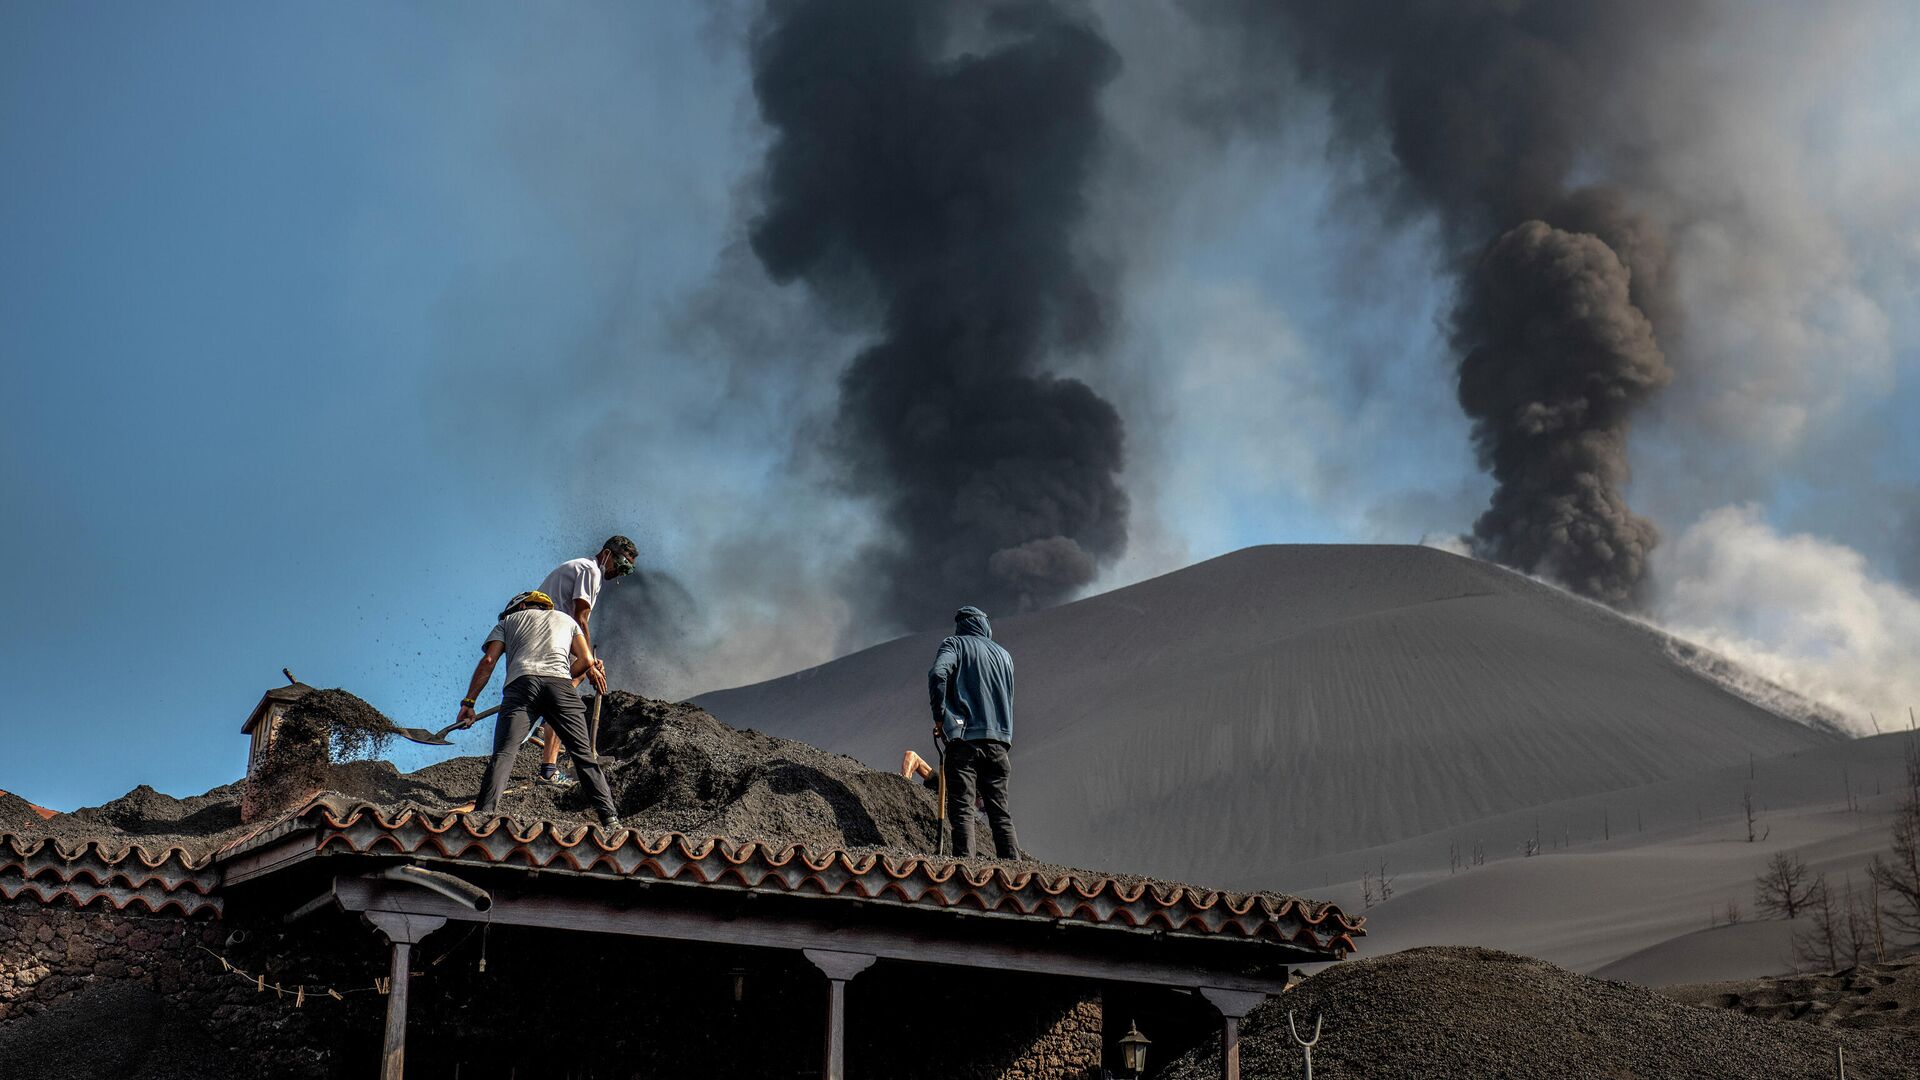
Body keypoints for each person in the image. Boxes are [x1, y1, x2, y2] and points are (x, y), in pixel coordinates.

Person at [456, 590, 621, 828]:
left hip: (520, 686)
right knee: (583, 754)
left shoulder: (508, 621)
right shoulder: (567, 620)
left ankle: (484, 815)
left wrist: (469, 702)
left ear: (521, 606)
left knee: (504, 753)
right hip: (560, 687)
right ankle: (610, 819)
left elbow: (488, 661)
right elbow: (586, 661)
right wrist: (560, 677)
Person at [529, 536, 638, 784]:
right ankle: (547, 742)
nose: (619, 573)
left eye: (626, 571)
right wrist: (589, 661)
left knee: (571, 681)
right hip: (547, 633)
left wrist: (588, 660)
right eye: (621, 565)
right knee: (565, 693)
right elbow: (580, 617)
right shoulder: (590, 571)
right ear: (608, 554)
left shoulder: (588, 571)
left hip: (549, 633)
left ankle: (546, 746)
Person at [927, 605, 1018, 859]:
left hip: (965, 741)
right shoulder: (1005, 656)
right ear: (985, 626)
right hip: (999, 744)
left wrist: (939, 716)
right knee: (1000, 812)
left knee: (963, 808)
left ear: (961, 625)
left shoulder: (954, 645)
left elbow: (938, 673)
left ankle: (965, 872)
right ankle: (1015, 876)